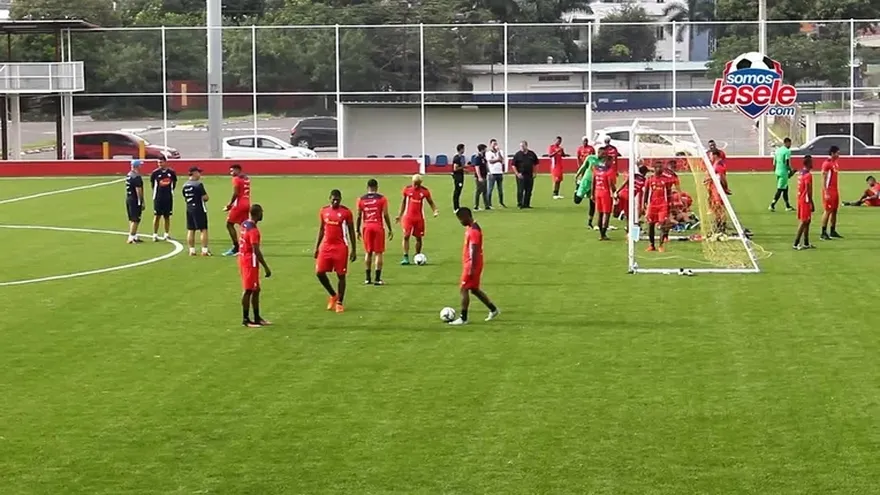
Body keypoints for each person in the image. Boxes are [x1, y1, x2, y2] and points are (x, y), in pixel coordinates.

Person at [447, 207, 500, 326]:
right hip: (472, 263)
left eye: (461, 219)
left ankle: (463, 317)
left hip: (472, 264)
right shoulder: (471, 227)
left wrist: (471, 268)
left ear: (466, 217)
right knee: (474, 290)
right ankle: (493, 309)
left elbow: (474, 250)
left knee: (464, 289)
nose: (460, 222)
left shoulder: (474, 231)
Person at [315, 190, 357, 313]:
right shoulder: (324, 211)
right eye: (333, 199)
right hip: (326, 246)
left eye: (337, 199)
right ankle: (333, 295)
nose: (335, 201)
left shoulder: (346, 213)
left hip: (340, 247)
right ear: (329, 198)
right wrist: (317, 247)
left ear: (340, 199)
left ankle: (339, 302)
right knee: (319, 272)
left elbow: (351, 231)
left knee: (341, 275)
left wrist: (354, 249)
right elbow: (321, 229)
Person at [239, 204, 272, 327]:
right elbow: (256, 250)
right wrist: (266, 267)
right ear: (258, 214)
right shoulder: (253, 231)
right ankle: (246, 320)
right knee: (248, 290)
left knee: (256, 289)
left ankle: (257, 318)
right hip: (249, 261)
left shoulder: (245, 224)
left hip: (244, 258)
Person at [357, 178, 393, 285]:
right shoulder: (382, 199)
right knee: (378, 253)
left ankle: (367, 278)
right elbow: (385, 214)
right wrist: (390, 228)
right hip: (378, 227)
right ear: (376, 187)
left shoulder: (361, 199)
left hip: (367, 227)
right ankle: (377, 279)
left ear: (367, 187)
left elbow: (359, 215)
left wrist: (357, 229)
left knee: (368, 252)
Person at [396, 174, 438, 265]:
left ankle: (417, 256)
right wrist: (400, 215)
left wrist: (435, 210)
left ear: (420, 183)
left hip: (419, 218)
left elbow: (431, 202)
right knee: (406, 236)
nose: (416, 186)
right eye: (414, 183)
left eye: (417, 184)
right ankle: (405, 257)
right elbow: (403, 203)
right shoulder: (407, 190)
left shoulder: (424, 191)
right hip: (408, 217)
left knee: (418, 238)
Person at [181, 166, 211, 256]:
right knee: (203, 229)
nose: (200, 174)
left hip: (189, 208)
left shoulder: (185, 185)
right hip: (199, 208)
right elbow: (205, 197)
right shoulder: (198, 184)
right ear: (194, 173)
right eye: (198, 172)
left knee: (191, 229)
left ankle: (192, 250)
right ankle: (204, 250)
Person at [222, 164, 252, 256]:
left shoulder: (236, 179)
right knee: (244, 226)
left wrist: (229, 205)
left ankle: (236, 247)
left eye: (232, 171)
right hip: (247, 203)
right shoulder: (246, 178)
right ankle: (248, 246)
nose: (231, 173)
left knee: (229, 224)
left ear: (238, 170)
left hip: (239, 204)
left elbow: (236, 193)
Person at [644, 162, 671, 252]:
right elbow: (646, 192)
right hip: (652, 205)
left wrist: (670, 204)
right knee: (651, 225)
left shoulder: (666, 180)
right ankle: (651, 245)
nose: (660, 169)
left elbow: (669, 192)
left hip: (663, 205)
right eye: (658, 167)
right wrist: (644, 203)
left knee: (663, 225)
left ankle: (660, 245)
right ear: (654, 169)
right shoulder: (650, 179)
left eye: (661, 167)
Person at [150, 155, 177, 241]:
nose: (159, 164)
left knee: (167, 216)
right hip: (158, 198)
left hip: (168, 198)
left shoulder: (171, 172)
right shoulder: (155, 173)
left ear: (165, 162)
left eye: (161, 162)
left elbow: (174, 183)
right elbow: (153, 185)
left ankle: (166, 234)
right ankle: (155, 234)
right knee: (157, 216)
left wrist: (170, 192)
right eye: (158, 162)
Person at [592, 155, 616, 240]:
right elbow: (610, 184)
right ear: (607, 161)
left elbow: (593, 182)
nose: (612, 163)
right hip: (605, 194)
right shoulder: (609, 171)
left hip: (597, 192)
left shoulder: (596, 169)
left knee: (600, 214)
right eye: (611, 161)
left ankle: (601, 234)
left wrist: (592, 194)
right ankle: (603, 234)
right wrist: (615, 193)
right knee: (607, 214)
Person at [820, 145, 843, 240]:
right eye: (837, 153)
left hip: (835, 190)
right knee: (827, 211)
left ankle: (833, 231)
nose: (839, 155)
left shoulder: (835, 163)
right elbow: (823, 178)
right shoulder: (827, 164)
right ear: (832, 153)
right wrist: (825, 192)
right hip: (829, 191)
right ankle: (823, 232)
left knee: (834, 211)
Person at [794, 155, 816, 250]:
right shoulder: (808, 175)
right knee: (804, 221)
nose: (813, 164)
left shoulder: (800, 173)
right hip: (805, 200)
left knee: (807, 221)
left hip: (800, 198)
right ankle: (796, 243)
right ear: (809, 163)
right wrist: (811, 202)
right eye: (812, 162)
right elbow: (808, 189)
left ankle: (806, 242)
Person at [707, 149, 732, 233]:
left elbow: (722, 177)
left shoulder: (719, 165)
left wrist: (725, 188)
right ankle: (718, 224)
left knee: (720, 208)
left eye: (710, 155)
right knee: (716, 208)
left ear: (715, 155)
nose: (709, 157)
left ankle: (722, 227)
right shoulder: (715, 164)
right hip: (714, 189)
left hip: (718, 190)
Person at [769, 137, 794, 211]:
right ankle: (772, 205)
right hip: (783, 173)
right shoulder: (787, 151)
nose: (790, 145)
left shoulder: (777, 151)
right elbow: (787, 162)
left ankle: (788, 206)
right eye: (790, 143)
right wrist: (791, 170)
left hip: (777, 172)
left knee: (785, 188)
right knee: (780, 189)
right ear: (787, 143)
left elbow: (774, 162)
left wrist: (775, 170)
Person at [511, 140, 538, 208]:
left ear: (526, 146)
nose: (522, 147)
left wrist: (535, 172)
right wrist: (517, 173)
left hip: (529, 175)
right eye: (521, 146)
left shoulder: (532, 154)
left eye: (523, 146)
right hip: (521, 175)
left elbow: (536, 164)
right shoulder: (517, 154)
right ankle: (520, 204)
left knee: (529, 190)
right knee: (520, 190)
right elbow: (513, 165)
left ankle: (527, 204)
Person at [124, 159, 145, 244]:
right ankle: (131, 237)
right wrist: (142, 201)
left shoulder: (129, 175)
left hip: (129, 198)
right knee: (136, 219)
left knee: (132, 219)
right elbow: (138, 190)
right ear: (137, 166)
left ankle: (134, 236)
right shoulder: (136, 177)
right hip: (135, 200)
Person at [486, 138, 506, 208]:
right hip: (492, 173)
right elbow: (490, 161)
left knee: (500, 189)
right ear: (490, 145)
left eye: (496, 144)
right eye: (494, 144)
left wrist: (498, 152)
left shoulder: (500, 151)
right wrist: (498, 160)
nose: (495, 145)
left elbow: (502, 159)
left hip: (499, 172)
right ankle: (489, 204)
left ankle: (501, 202)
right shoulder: (488, 153)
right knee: (490, 189)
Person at [472, 143, 489, 210]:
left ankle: (486, 205)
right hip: (480, 176)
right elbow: (477, 167)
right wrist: (479, 177)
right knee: (479, 191)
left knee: (485, 191)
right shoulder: (477, 157)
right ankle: (476, 206)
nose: (486, 150)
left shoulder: (483, 157)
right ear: (482, 149)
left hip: (484, 175)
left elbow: (485, 165)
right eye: (485, 149)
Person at [451, 143, 466, 212]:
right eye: (463, 148)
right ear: (461, 149)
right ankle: (455, 207)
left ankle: (457, 206)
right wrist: (463, 167)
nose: (464, 150)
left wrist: (464, 169)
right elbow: (455, 168)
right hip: (457, 176)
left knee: (459, 191)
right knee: (457, 191)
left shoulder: (461, 157)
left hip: (461, 175)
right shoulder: (456, 158)